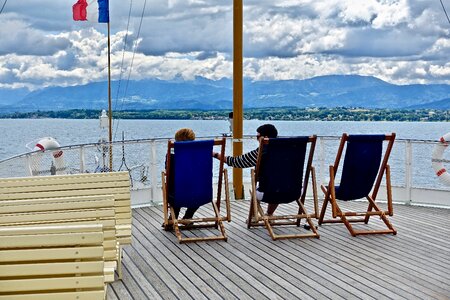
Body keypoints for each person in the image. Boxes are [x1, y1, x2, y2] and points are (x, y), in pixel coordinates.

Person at [212, 124, 280, 216]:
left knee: (261, 191)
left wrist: (215, 154)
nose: (257, 139)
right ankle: (269, 214)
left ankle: (252, 217)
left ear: (265, 138)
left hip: (267, 192)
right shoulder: (288, 150)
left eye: (258, 136)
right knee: (278, 184)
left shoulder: (262, 152)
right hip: (292, 191)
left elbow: (237, 162)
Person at [166, 128, 199, 222]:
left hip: (175, 195)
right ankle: (188, 216)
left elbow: (168, 172)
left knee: (176, 187)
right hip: (198, 195)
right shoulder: (200, 156)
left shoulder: (171, 157)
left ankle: (173, 217)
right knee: (194, 188)